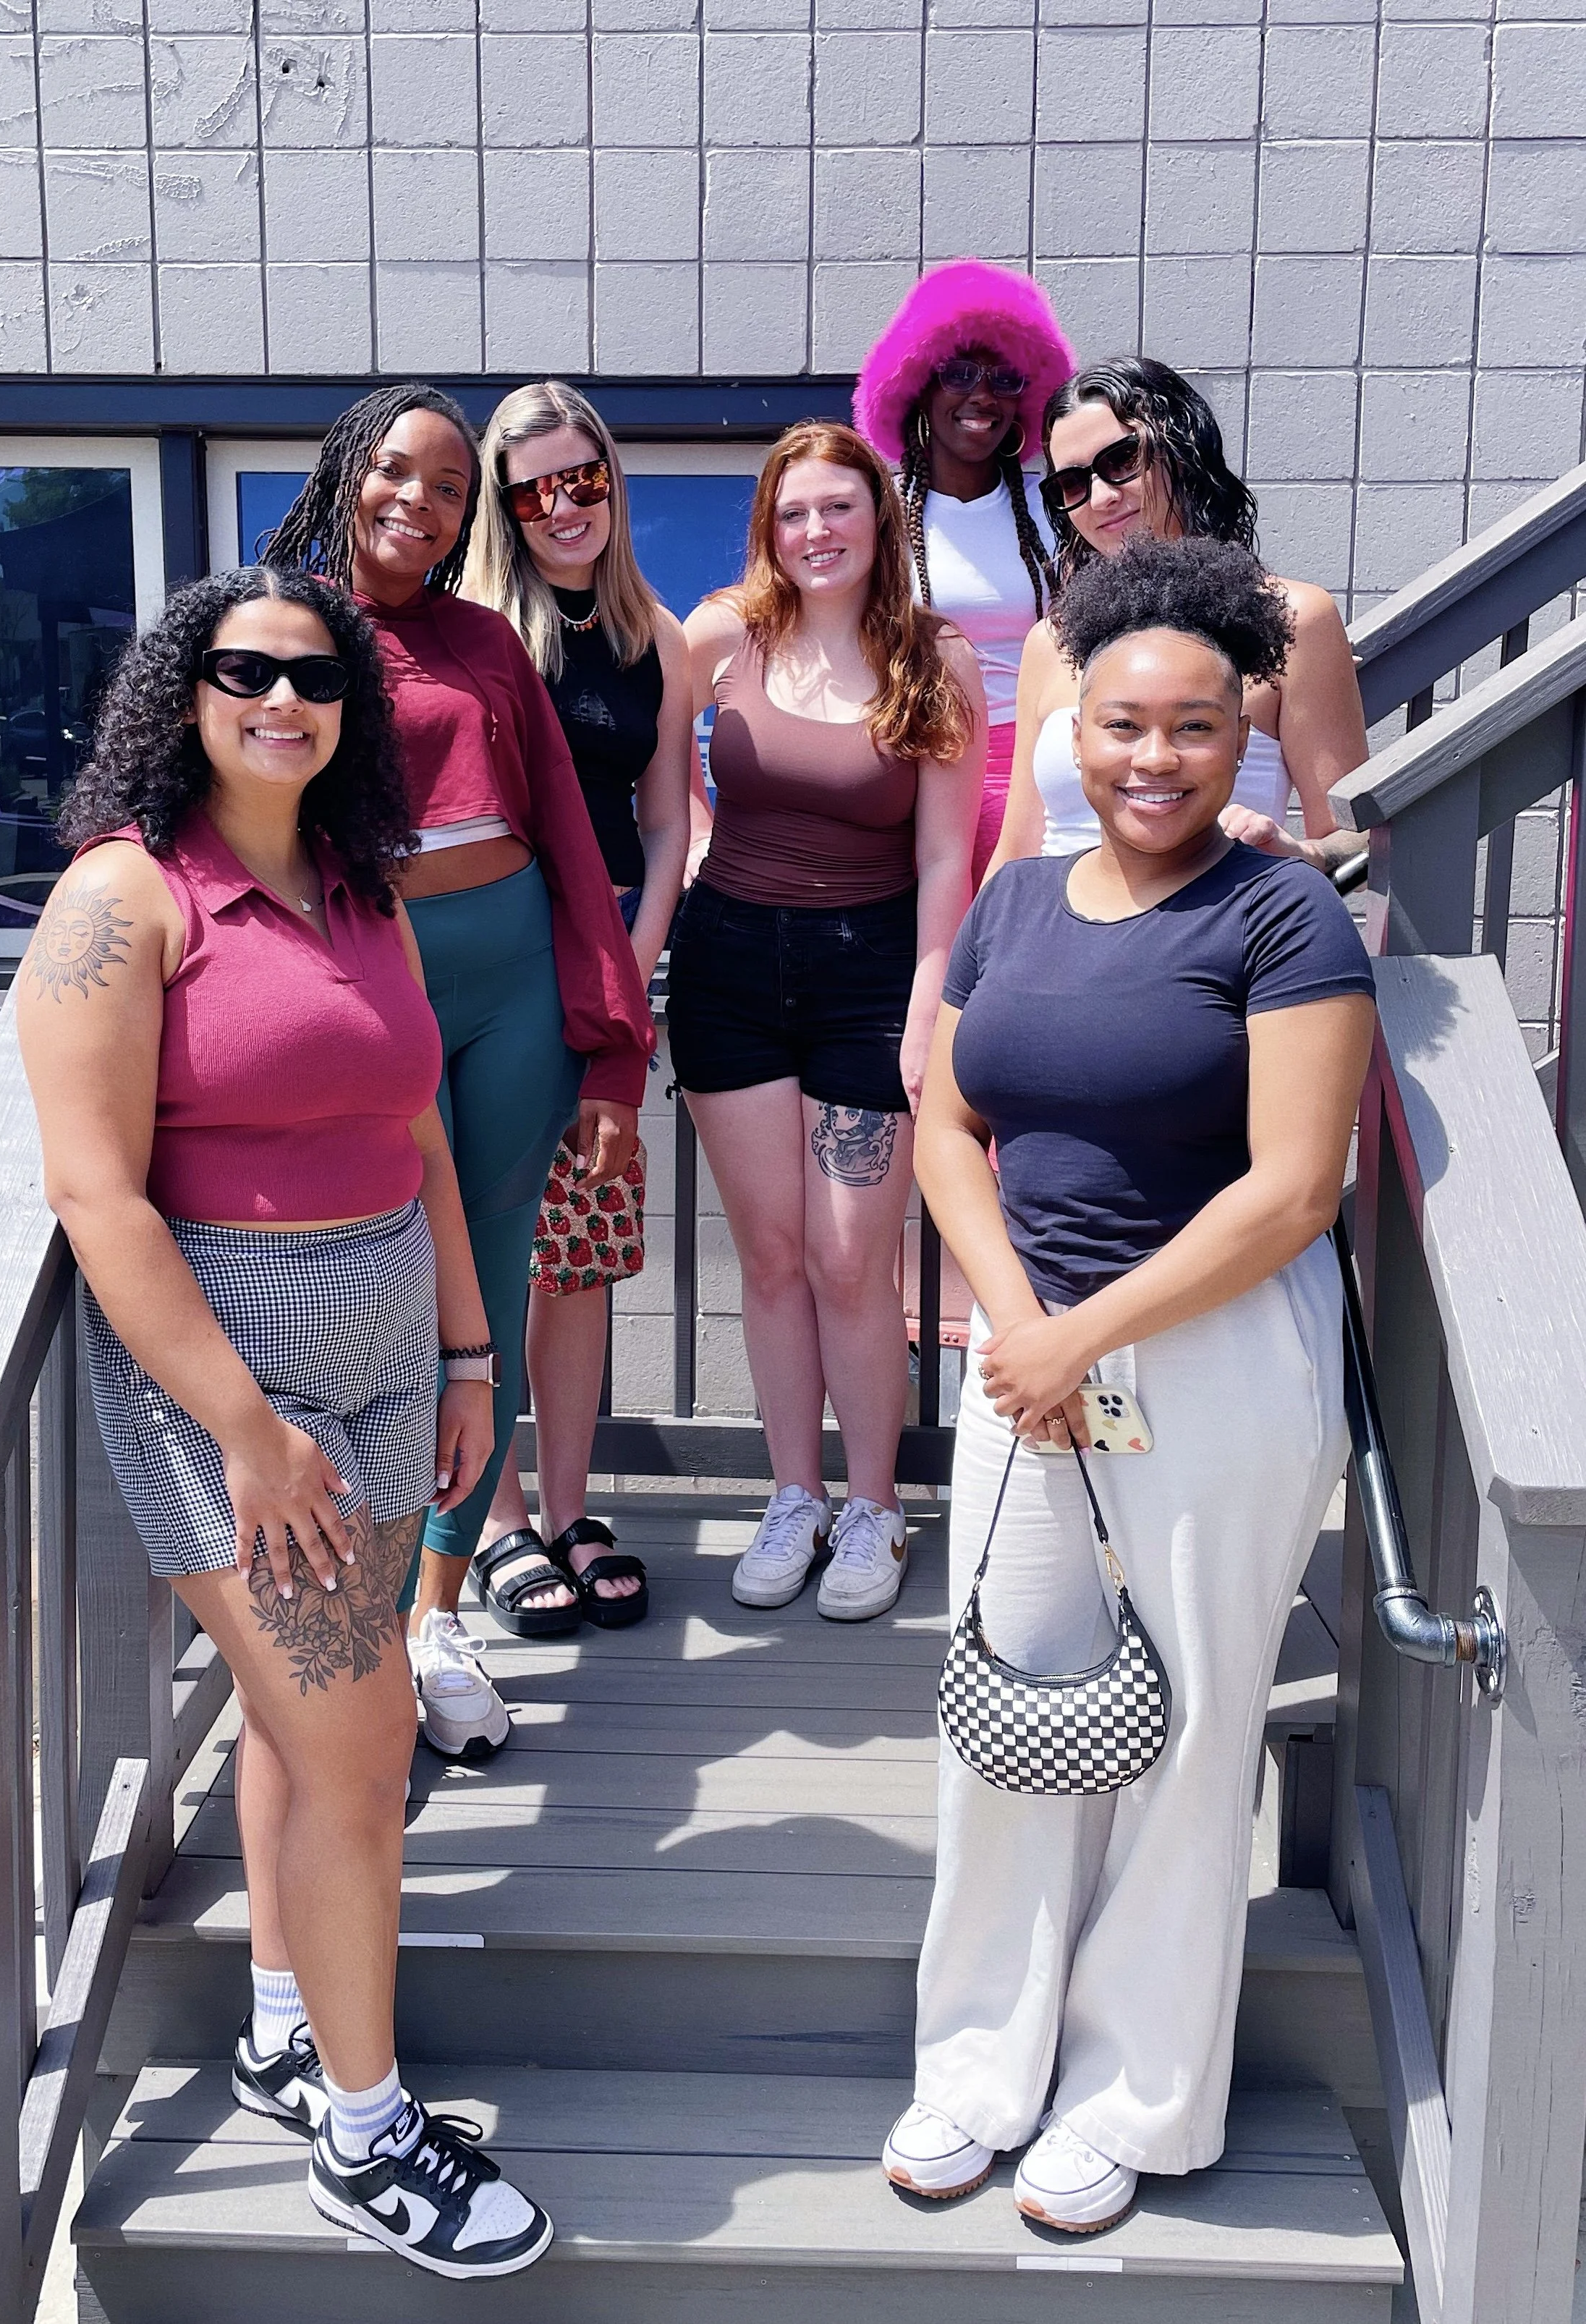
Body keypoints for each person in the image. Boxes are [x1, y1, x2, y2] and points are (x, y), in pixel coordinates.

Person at [18, 567, 553, 2279]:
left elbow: (418, 1130)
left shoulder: (356, 881)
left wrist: (468, 1353)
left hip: (391, 1352)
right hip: (235, 1384)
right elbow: (98, 1196)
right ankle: (367, 2132)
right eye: (245, 669)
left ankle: (280, 2019)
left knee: (301, 1720)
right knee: (364, 1747)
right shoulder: (125, 897)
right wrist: (249, 1432)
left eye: (316, 677)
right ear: (184, 690)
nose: (282, 700)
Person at [884, 537, 1375, 2231]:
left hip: (1211, 1356)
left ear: (1242, 735)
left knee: (1188, 1729)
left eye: (1192, 726)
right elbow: (948, 1121)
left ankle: (1131, 2094)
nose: (1153, 757)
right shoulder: (1016, 900)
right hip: (1028, 1351)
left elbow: (1292, 1189)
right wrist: (1018, 1317)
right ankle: (978, 2063)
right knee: (1010, 1709)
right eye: (1121, 724)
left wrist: (1078, 1335)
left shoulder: (1283, 913)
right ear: (1069, 732)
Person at [264, 386, 653, 1757]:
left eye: (447, 488)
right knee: (380, 1287)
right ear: (345, 477)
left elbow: (569, 840)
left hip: (512, 976)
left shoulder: (486, 639)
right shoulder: (287, 632)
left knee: (482, 1287)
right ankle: (352, 1616)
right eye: (395, 473)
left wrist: (613, 1054)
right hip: (372, 970)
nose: (417, 503)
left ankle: (433, 1617)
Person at [669, 420, 985, 1622]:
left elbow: (946, 853)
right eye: (793, 512)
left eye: (837, 507)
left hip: (870, 976)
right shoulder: (720, 635)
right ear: (769, 526)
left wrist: (927, 1004)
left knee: (852, 1260)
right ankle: (792, 1495)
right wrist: (693, 841)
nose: (815, 531)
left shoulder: (933, 656)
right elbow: (653, 775)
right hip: (729, 970)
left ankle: (871, 1506)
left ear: (877, 519)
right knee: (770, 1255)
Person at [460, 380, 692, 1621]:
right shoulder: (472, 633)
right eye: (534, 490)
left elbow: (665, 821)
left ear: (612, 482)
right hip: (496, 966)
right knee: (496, 1247)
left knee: (582, 1252)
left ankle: (565, 1507)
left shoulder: (658, 636)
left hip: (606, 976)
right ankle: (494, 1516)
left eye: (583, 479)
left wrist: (634, 963)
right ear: (504, 508)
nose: (563, 507)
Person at [990, 357, 1370, 878]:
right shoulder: (1050, 639)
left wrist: (1303, 855)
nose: (1101, 497)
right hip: (1050, 921)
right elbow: (1015, 850)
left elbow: (1354, 836)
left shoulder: (1294, 617)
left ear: (1183, 451)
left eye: (1122, 459)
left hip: (1219, 919)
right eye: (1072, 484)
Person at [854, 260, 1074, 891]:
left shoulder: (1056, 512)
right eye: (958, 374)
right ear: (918, 386)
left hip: (1028, 773)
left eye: (1004, 379)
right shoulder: (875, 514)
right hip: (909, 763)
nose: (982, 396)